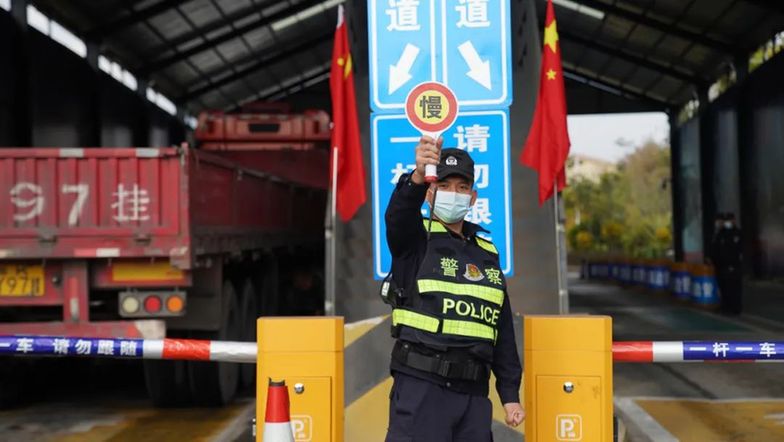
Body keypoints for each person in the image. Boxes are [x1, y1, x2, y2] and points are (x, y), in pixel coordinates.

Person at [382, 136, 524, 442]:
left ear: (472, 198)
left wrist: (509, 392)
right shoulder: (415, 241)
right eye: (444, 186)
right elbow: (397, 216)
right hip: (423, 389)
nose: (453, 194)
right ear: (430, 194)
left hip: (473, 396)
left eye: (462, 188)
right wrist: (418, 176)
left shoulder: (486, 252)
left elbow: (500, 325)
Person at [710, 213, 743, 315]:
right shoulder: (721, 233)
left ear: (734, 220)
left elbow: (738, 250)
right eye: (725, 221)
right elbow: (717, 249)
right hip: (721, 265)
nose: (727, 223)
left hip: (733, 265)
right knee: (724, 288)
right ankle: (725, 306)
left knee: (733, 288)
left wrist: (734, 264)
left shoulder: (737, 233)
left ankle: (734, 308)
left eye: (729, 220)